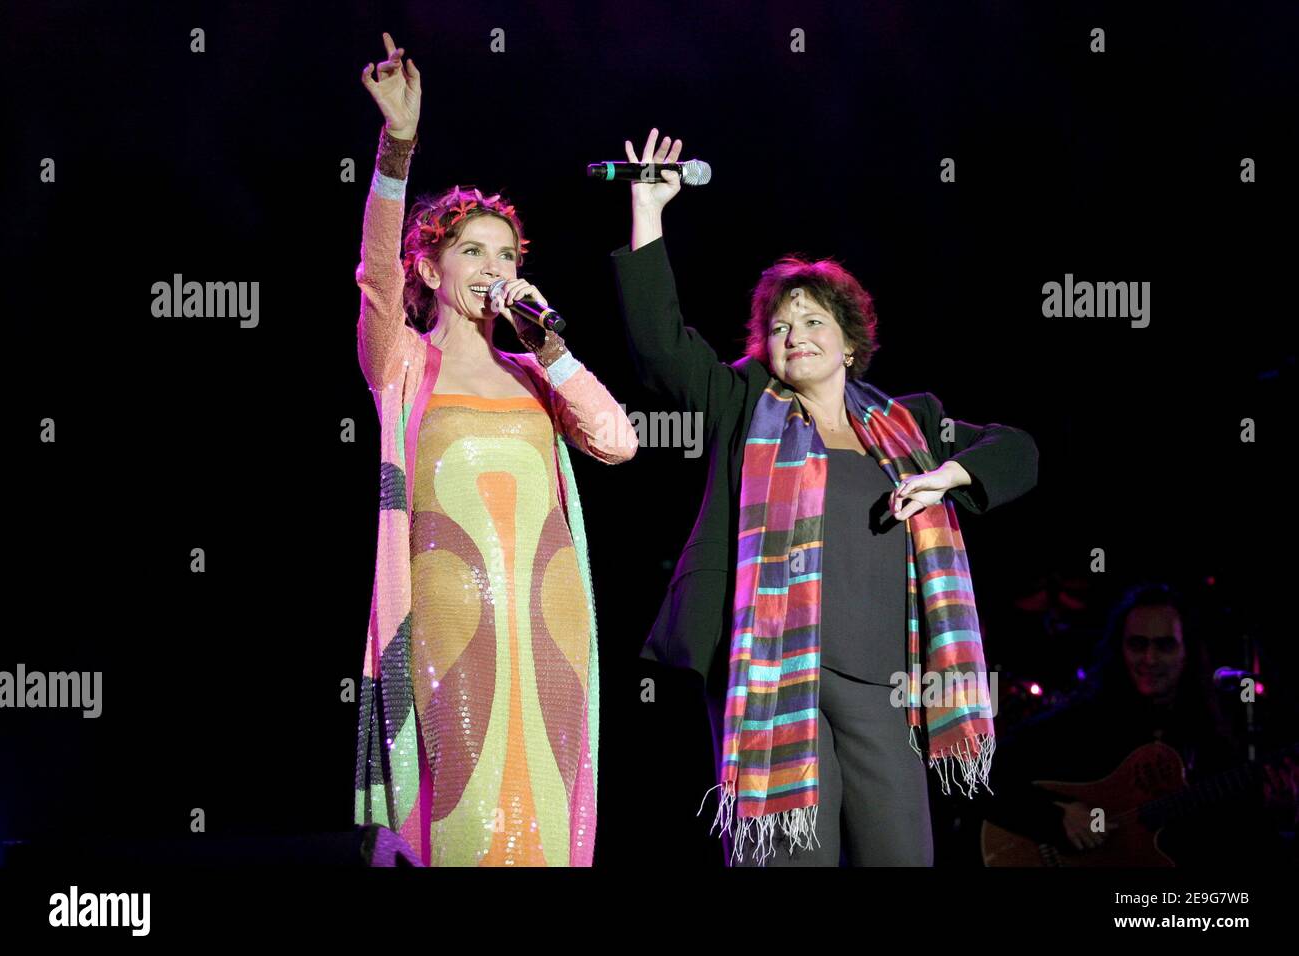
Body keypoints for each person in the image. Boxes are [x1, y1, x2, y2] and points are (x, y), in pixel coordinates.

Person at [611, 128, 1039, 866]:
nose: (794, 333)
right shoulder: (743, 400)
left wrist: (950, 475)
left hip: (886, 683)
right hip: (775, 673)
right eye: (779, 325)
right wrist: (648, 209)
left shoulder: (912, 424)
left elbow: (1019, 449)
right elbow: (659, 348)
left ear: (849, 342)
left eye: (813, 321)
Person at [352, 34, 637, 867]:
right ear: (431, 269)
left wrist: (553, 350)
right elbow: (373, 275)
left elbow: (617, 443)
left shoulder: (535, 372)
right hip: (445, 615)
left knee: (544, 811)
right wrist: (396, 150)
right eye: (470, 250)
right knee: (470, 813)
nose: (493, 265)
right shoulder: (404, 363)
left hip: (548, 620)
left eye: (506, 253)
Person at [981, 582, 1298, 866]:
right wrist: (1055, 818)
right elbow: (980, 777)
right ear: (1119, 649)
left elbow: (1233, 844)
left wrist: (1280, 816)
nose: (1149, 658)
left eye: (1164, 645)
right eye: (1137, 644)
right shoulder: (1079, 724)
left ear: (1187, 652)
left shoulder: (1213, 736)